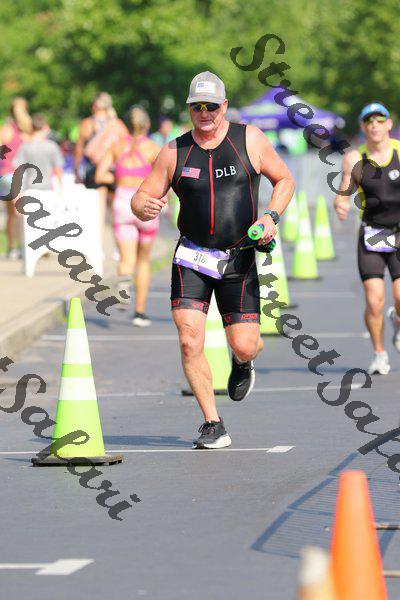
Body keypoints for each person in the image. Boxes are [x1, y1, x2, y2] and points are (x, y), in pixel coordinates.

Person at [131, 71, 294, 448]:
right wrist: (142, 206)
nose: (204, 113)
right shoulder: (174, 151)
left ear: (224, 106)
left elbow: (284, 180)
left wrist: (271, 216)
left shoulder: (249, 139)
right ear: (189, 108)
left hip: (239, 258)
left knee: (246, 344)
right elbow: (141, 196)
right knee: (189, 340)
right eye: (196, 107)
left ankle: (243, 361)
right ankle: (212, 422)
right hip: (192, 257)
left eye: (211, 106)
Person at [334, 102, 400, 375]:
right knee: (374, 301)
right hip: (372, 233)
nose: (375, 125)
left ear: (389, 124)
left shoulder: (399, 152)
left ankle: (397, 320)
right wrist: (341, 203)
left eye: (380, 120)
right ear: (363, 126)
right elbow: (344, 191)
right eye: (369, 121)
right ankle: (379, 354)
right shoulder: (354, 159)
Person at [95, 107, 161, 326]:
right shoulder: (152, 148)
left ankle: (124, 284)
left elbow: (100, 174)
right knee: (143, 260)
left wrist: (118, 178)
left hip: (122, 201)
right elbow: (163, 177)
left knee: (126, 259)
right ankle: (139, 313)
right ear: (147, 125)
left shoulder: (117, 146)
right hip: (146, 202)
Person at [74, 92, 128, 235]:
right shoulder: (118, 124)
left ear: (94, 106)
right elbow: (126, 146)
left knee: (98, 209)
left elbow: (79, 149)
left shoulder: (88, 123)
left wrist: (76, 170)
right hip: (113, 170)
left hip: (94, 169)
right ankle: (120, 240)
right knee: (116, 209)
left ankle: (99, 240)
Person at [0, 97, 32, 259]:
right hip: (18, 174)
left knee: (11, 213)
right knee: (19, 212)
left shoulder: (6, 129)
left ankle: (12, 248)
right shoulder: (27, 130)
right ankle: (21, 247)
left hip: (6, 175)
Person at [13, 114, 64, 191]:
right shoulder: (52, 146)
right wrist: (60, 188)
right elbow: (58, 169)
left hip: (29, 188)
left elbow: (17, 169)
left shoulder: (25, 146)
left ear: (32, 127)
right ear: (45, 127)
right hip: (47, 188)